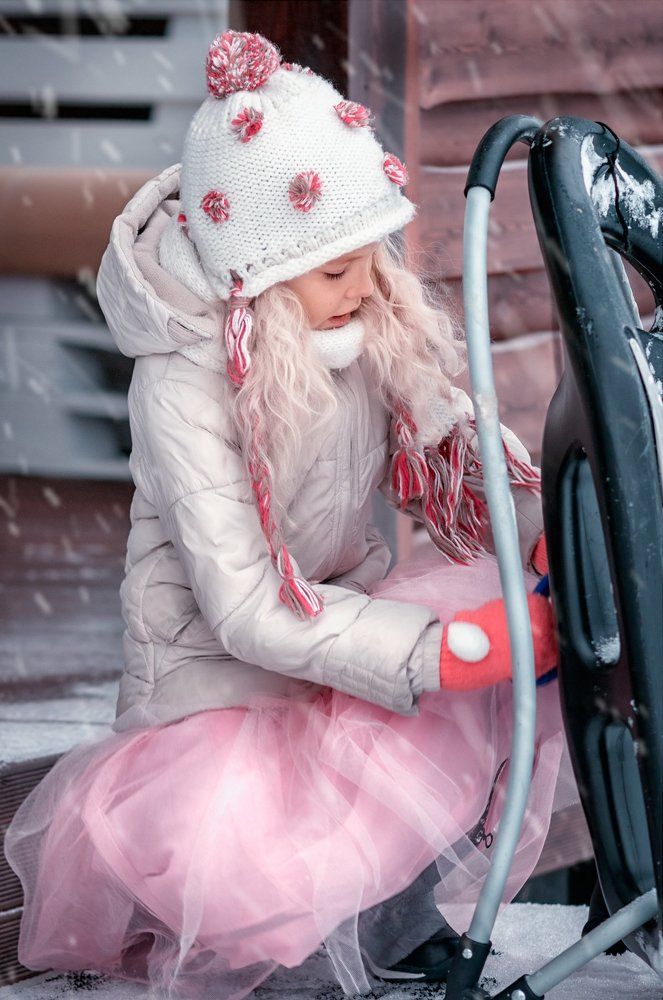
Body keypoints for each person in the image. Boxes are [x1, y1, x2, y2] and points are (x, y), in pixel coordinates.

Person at [5, 30, 577, 1000]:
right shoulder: (183, 387)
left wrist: (535, 523)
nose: (365, 285)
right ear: (257, 277)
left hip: (324, 647)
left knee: (467, 618)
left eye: (371, 257)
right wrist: (443, 649)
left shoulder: (353, 315)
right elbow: (244, 610)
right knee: (280, 819)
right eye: (335, 270)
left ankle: (392, 918)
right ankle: (280, 947)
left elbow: (441, 451)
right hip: (216, 691)